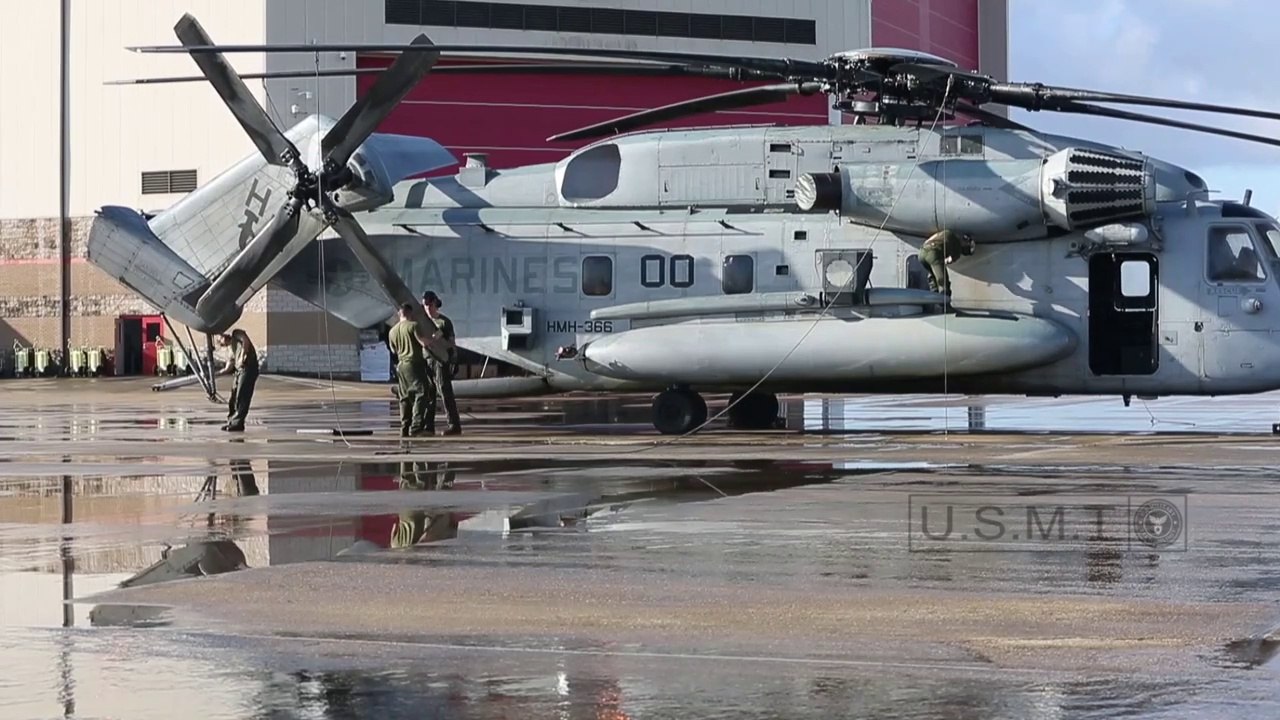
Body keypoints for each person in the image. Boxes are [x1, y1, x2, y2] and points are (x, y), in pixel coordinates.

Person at [386, 302, 439, 437]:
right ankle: (416, 426)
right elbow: (423, 342)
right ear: (410, 313)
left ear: (399, 314)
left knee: (405, 397)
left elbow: (393, 350)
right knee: (422, 392)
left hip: (401, 366)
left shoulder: (392, 331)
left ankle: (404, 427)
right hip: (414, 364)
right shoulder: (413, 326)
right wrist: (434, 339)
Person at [422, 290, 462, 435]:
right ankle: (428, 425)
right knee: (429, 394)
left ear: (434, 304)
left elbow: (452, 343)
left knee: (445, 393)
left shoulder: (444, 322)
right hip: (427, 360)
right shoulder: (423, 322)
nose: (427, 307)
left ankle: (454, 425)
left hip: (440, 361)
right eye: (424, 305)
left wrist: (454, 360)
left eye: (428, 304)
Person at [217, 329, 259, 432]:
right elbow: (228, 367)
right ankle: (232, 421)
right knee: (234, 397)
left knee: (242, 396)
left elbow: (245, 341)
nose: (221, 340)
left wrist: (242, 357)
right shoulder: (231, 349)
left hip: (248, 368)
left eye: (220, 339)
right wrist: (215, 374)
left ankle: (238, 423)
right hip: (239, 371)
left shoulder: (237, 333)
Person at [919, 229, 976, 300]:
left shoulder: (947, 233)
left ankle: (934, 301)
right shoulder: (957, 248)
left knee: (933, 278)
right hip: (933, 254)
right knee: (943, 282)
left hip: (921, 253)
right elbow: (949, 260)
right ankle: (945, 305)